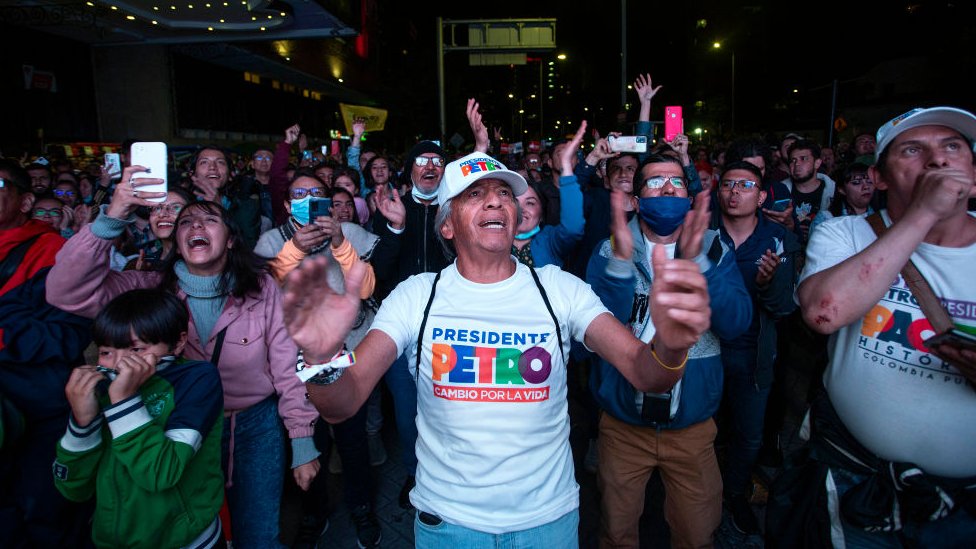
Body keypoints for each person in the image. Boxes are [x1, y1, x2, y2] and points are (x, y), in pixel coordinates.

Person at [281, 150, 712, 547]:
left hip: (547, 521)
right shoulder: (417, 296)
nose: (495, 202)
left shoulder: (560, 291)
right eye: (476, 195)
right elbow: (343, 402)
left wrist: (671, 348)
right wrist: (320, 358)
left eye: (504, 193)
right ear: (447, 224)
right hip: (447, 522)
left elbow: (647, 373)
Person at [46, 165, 320, 548]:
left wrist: (302, 439)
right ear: (176, 239)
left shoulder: (261, 289)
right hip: (169, 425)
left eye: (210, 220)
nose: (196, 227)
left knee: (258, 534)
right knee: (186, 523)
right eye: (186, 221)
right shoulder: (146, 290)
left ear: (229, 241)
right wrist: (114, 214)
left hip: (253, 427)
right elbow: (64, 292)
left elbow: (286, 364)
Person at [784, 106, 976, 547]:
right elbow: (822, 313)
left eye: (952, 147)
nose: (937, 161)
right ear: (880, 179)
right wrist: (923, 214)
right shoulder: (846, 233)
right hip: (858, 478)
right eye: (913, 150)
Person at [586, 153, 752, 548]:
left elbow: (736, 323)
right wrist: (623, 267)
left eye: (676, 182)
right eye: (655, 181)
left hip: (691, 429)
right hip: (623, 426)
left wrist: (699, 265)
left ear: (688, 195)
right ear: (638, 198)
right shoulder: (611, 248)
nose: (667, 188)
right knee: (616, 531)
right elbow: (596, 329)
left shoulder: (713, 248)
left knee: (696, 535)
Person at [54, 289, 224, 549]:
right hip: (112, 541)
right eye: (106, 352)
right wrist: (82, 423)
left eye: (136, 349)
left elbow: (159, 475)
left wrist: (124, 400)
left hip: (188, 541)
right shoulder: (99, 392)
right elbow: (73, 489)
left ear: (178, 343)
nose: (119, 364)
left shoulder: (197, 380)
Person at [0, 159, 92, 547]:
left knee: (44, 512)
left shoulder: (54, 251)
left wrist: (6, 337)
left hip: (40, 408)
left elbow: (70, 335)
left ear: (23, 202)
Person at [712, 161, 800, 536]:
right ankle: (702, 495)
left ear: (762, 196)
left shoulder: (779, 240)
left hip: (754, 354)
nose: (735, 192)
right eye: (728, 184)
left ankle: (734, 495)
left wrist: (768, 282)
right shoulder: (701, 233)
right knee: (703, 430)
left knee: (749, 434)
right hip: (706, 351)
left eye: (745, 185)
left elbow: (783, 308)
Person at [512, 122, 586, 268]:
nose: (522, 209)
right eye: (514, 201)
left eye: (530, 202)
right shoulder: (493, 240)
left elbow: (573, 228)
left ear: (541, 214)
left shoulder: (550, 241)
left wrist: (566, 165)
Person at [810, 162, 875, 231]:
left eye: (869, 181)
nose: (866, 187)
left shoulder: (882, 215)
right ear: (842, 189)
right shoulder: (826, 220)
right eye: (856, 182)